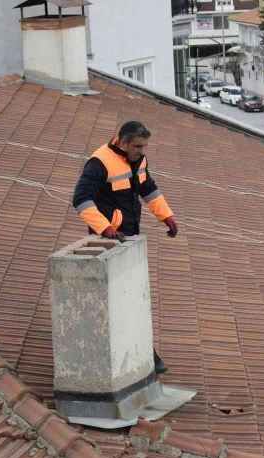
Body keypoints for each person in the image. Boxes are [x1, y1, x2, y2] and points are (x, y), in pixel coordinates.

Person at [72, 120, 178, 374]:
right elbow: (81, 199)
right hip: (107, 241)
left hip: (129, 237)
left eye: (144, 147)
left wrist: (166, 216)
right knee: (122, 297)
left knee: (130, 296)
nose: (141, 151)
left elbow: (148, 189)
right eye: (137, 147)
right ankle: (145, 354)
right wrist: (105, 229)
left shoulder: (139, 161)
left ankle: (144, 352)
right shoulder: (99, 163)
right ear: (121, 141)